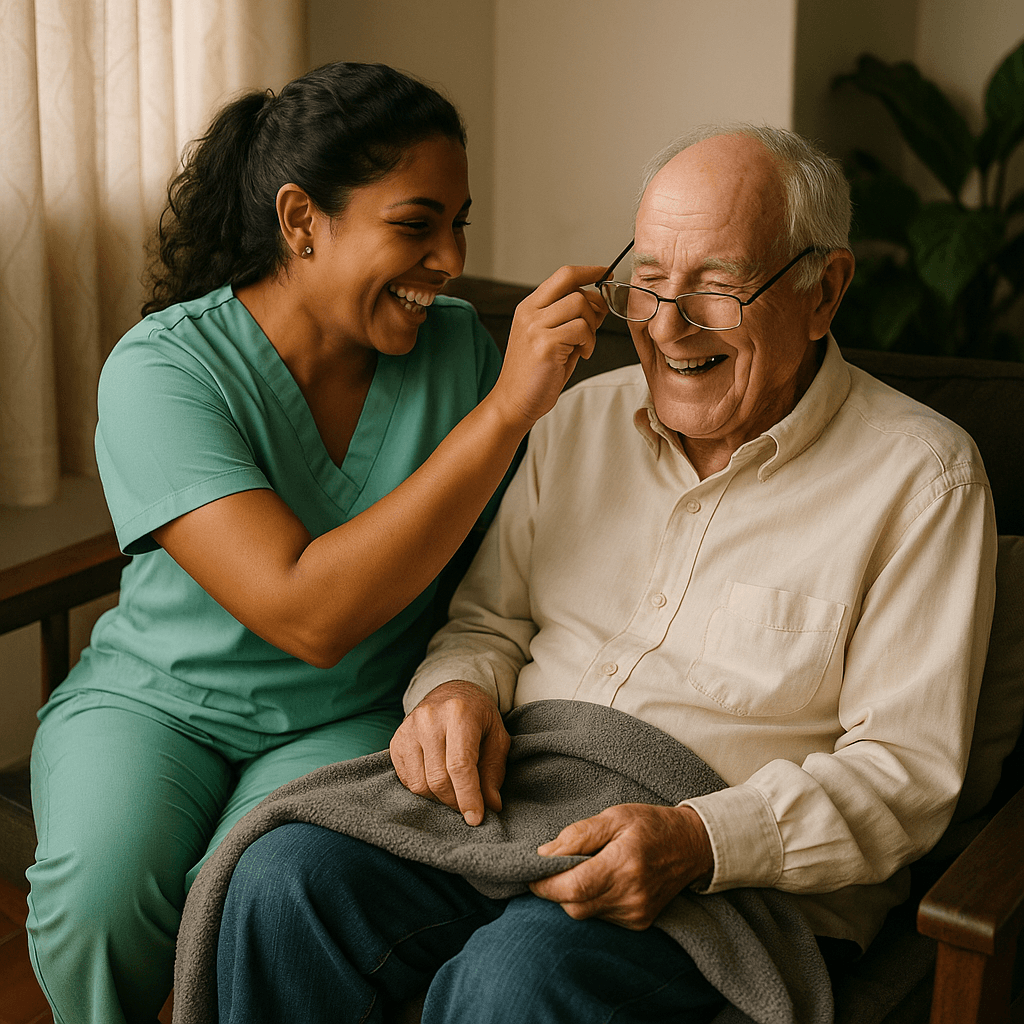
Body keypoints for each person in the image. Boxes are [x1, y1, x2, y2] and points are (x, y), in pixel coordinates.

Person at [212, 125, 997, 1023]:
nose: (667, 325)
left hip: (727, 882)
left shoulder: (923, 476)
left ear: (827, 290)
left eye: (717, 286)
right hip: (519, 805)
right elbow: (488, 625)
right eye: (650, 281)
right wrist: (456, 692)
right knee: (284, 880)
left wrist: (700, 840)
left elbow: (905, 771)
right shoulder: (576, 416)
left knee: (515, 979)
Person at [25, 61, 607, 1024]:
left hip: (345, 718)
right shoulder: (164, 368)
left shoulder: (462, 352)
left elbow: (532, 547)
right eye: (417, 224)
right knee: (98, 902)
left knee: (245, 901)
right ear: (301, 222)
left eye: (460, 222)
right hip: (157, 703)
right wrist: (507, 407)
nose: (452, 258)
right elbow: (307, 613)